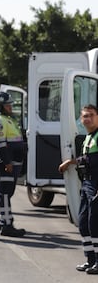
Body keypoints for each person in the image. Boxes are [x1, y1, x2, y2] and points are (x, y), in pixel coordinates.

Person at [59, 104, 98, 275]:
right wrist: (70, 162)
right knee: (83, 222)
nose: (87, 119)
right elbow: (87, 158)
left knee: (94, 224)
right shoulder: (89, 137)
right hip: (87, 184)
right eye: (84, 116)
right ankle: (90, 259)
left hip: (96, 185)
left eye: (91, 115)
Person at [0, 91, 26, 237]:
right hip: (6, 163)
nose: (10, 107)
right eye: (7, 105)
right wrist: (7, 162)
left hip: (8, 162)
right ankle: (7, 224)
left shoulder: (4, 119)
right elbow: (0, 144)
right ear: (0, 106)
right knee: (4, 194)